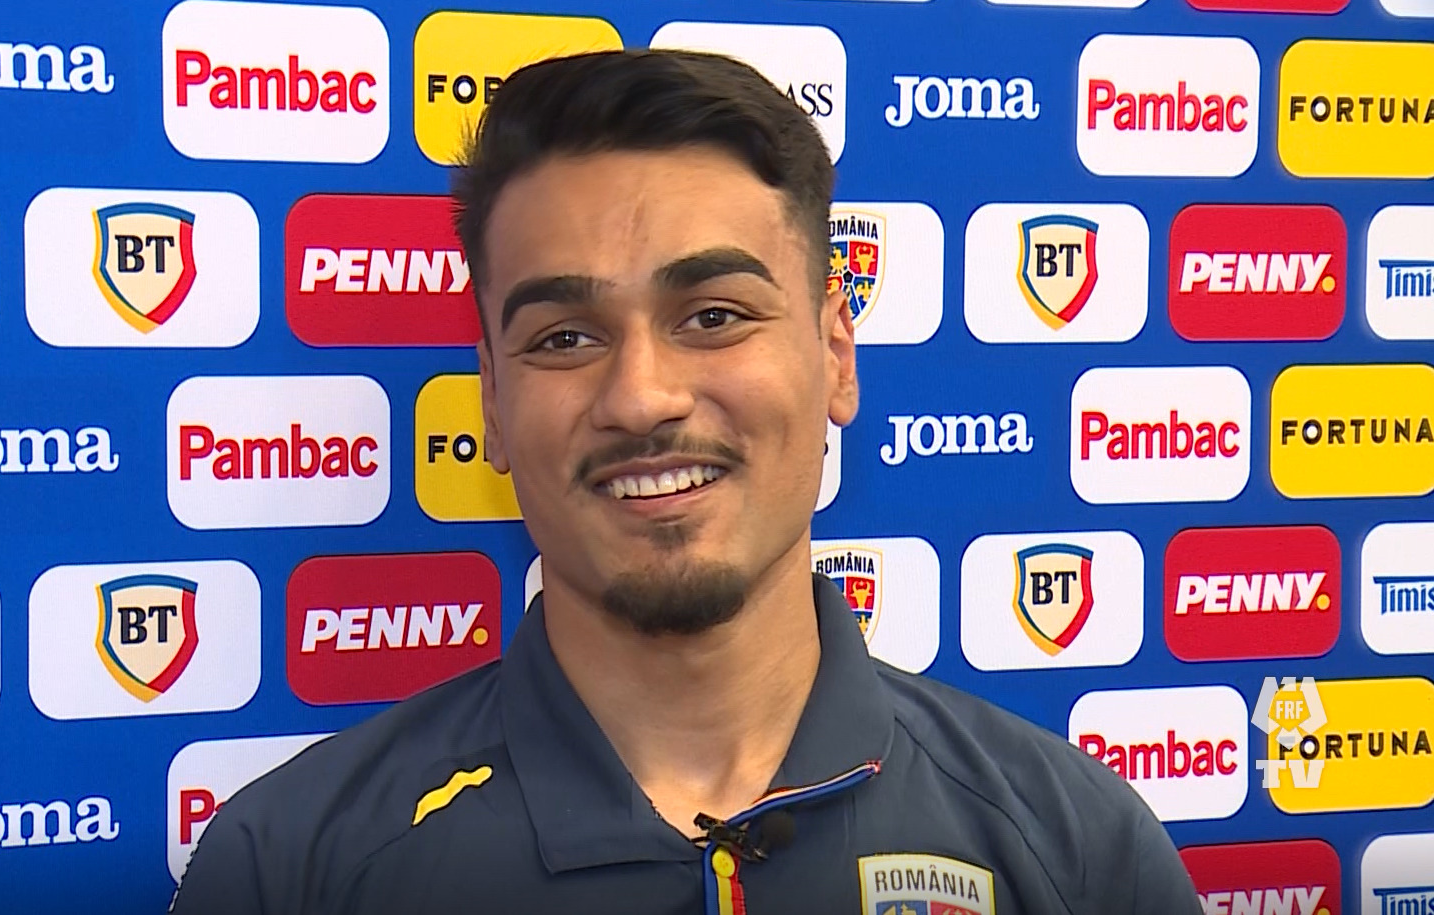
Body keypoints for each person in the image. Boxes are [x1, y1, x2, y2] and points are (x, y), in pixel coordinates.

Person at [170, 49, 1201, 915]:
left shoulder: (1077, 849)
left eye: (713, 316)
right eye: (564, 336)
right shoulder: (288, 869)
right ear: (491, 402)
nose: (640, 397)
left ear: (835, 354)